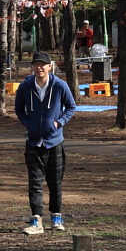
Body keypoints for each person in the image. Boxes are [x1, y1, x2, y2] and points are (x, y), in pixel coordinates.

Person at [14, 50, 77, 236]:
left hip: (54, 141)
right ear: (32, 66)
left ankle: (56, 216)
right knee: (34, 182)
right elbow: (19, 109)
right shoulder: (25, 86)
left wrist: (59, 123)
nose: (39, 67)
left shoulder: (59, 85)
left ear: (50, 66)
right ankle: (36, 218)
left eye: (43, 64)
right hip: (33, 142)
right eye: (36, 64)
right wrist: (28, 123)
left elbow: (71, 106)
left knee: (55, 181)